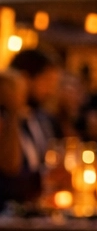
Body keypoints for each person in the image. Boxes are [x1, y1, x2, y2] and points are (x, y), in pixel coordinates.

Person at [3, 49, 60, 203]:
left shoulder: (42, 119)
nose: (51, 90)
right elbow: (9, 171)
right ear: (24, 79)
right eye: (47, 81)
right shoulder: (4, 119)